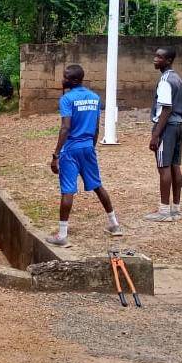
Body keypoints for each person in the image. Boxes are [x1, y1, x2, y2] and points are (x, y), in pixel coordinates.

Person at [45, 65, 123, 247]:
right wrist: (91, 147)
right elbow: (96, 128)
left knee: (68, 190)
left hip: (70, 149)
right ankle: (114, 224)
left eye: (64, 77)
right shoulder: (94, 98)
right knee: (97, 185)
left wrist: (56, 154)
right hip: (88, 147)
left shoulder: (67, 99)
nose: (62, 79)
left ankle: (62, 235)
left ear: (72, 80)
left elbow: (65, 127)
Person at [146, 47, 182, 222]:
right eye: (155, 56)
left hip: (167, 127)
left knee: (164, 167)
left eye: (160, 57)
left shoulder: (165, 80)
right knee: (175, 166)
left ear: (168, 60)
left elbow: (166, 108)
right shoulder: (177, 78)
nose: (155, 59)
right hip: (178, 125)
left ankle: (164, 211)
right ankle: (176, 209)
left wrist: (156, 134)